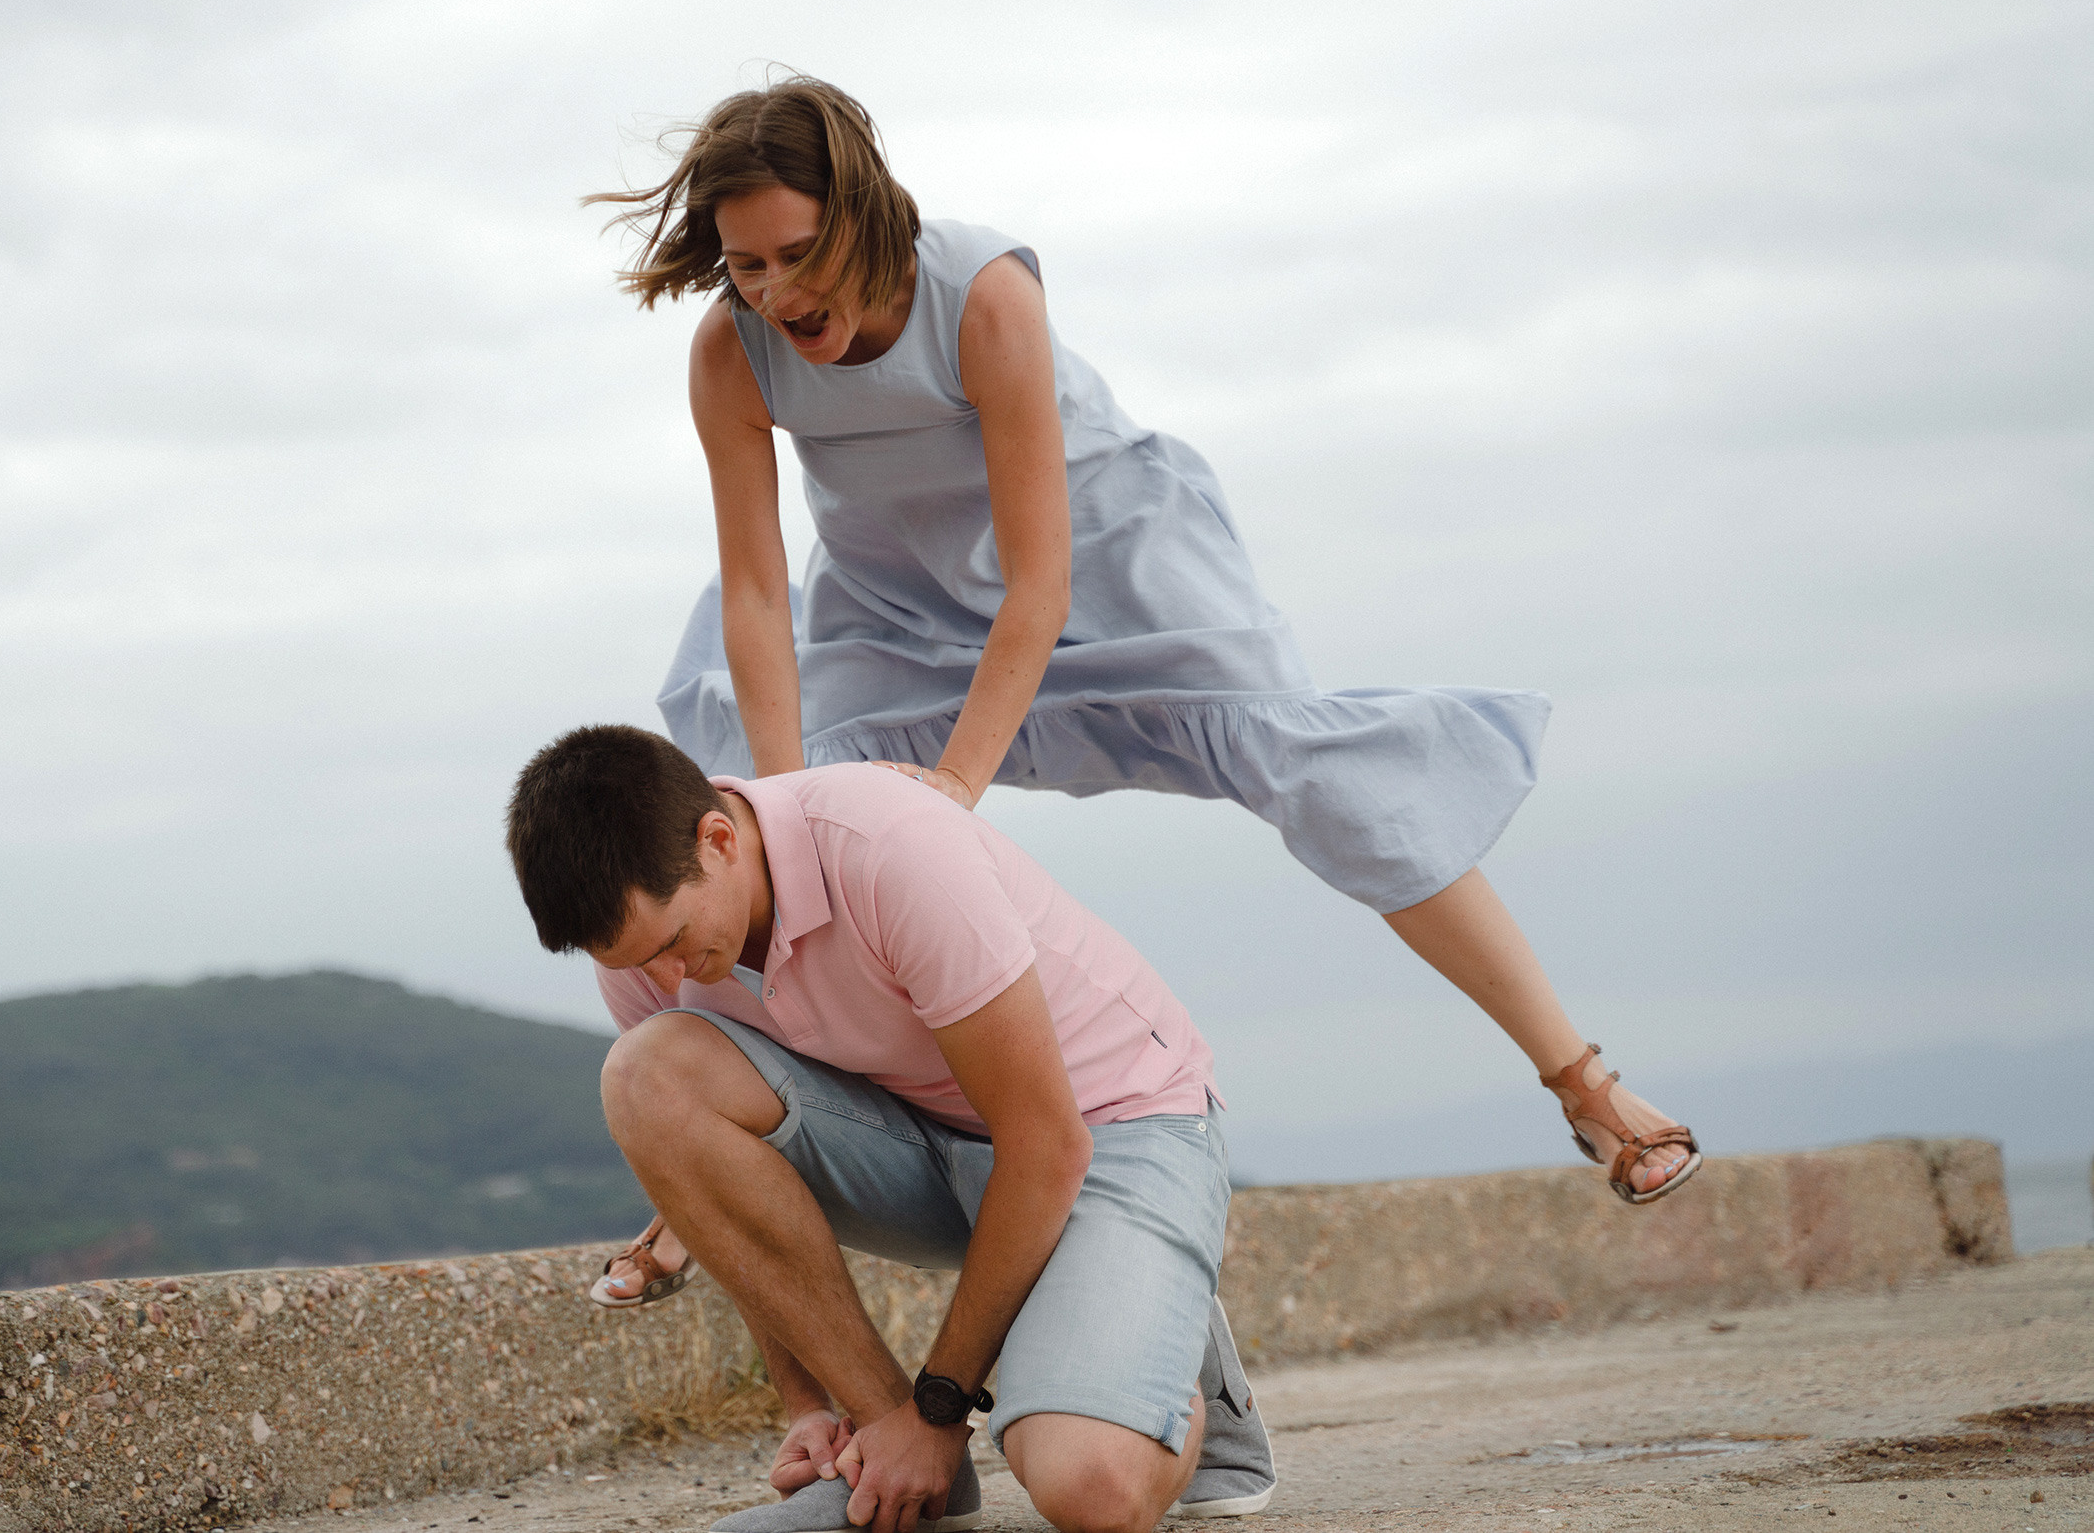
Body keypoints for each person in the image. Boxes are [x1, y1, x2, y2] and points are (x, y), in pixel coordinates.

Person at [581, 75, 1701, 1309]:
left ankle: (1583, 1085)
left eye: (798, 255)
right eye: (744, 265)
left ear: (864, 212)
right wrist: (796, 809)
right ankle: (699, 1165)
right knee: (748, 833)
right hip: (889, 609)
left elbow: (1037, 587)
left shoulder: (982, 294)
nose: (777, 294)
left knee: (1316, 772)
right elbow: (751, 592)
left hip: (1109, 563)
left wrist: (954, 785)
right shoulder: (729, 350)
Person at [506, 725, 1278, 1533]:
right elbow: (731, 1202)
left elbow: (1046, 1146)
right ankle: (898, 1459)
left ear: (720, 839)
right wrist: (809, 1411)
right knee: (645, 1072)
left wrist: (941, 1408)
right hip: (925, 1140)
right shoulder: (644, 950)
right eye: (635, 962)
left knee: (1088, 1490)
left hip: (1108, 1130)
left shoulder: (889, 845)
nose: (665, 979)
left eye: (669, 944)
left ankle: (1160, 1334)